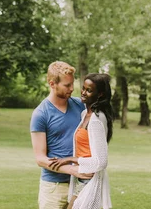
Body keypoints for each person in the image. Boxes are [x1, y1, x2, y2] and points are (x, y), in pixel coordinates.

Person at [31, 61, 90, 209]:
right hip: (53, 187)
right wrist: (71, 169)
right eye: (67, 85)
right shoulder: (41, 114)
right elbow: (40, 159)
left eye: (72, 84)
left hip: (80, 185)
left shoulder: (80, 106)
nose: (72, 89)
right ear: (52, 84)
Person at [49, 73, 114, 209]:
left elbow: (101, 162)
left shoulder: (96, 119)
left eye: (89, 90)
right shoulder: (85, 114)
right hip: (81, 179)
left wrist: (68, 160)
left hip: (89, 180)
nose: (83, 93)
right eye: (83, 88)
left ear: (100, 94)